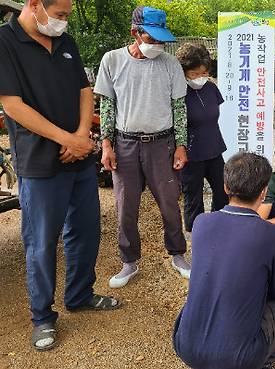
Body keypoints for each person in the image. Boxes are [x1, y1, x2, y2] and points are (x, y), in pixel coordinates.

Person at [0, 0, 120, 351]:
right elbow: (12, 104)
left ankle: (80, 294)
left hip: (79, 158)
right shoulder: (6, 42)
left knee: (85, 231)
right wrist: (66, 139)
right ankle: (42, 317)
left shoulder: (65, 42)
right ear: (35, 4)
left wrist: (82, 136)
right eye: (61, 15)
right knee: (41, 241)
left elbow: (85, 90)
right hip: (40, 163)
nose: (64, 22)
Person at [173, 152, 275, 369]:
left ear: (225, 187)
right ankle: (265, 361)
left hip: (185, 346)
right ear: (264, 192)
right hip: (240, 359)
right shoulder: (273, 235)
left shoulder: (202, 223)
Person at [95, 6, 191, 288]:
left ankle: (178, 254)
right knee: (125, 206)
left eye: (161, 41)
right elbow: (107, 105)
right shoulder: (112, 60)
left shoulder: (170, 64)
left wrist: (181, 145)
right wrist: (106, 145)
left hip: (162, 143)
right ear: (134, 33)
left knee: (170, 203)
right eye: (151, 39)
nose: (157, 46)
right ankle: (129, 261)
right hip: (125, 144)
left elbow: (179, 108)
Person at [175, 43, 228, 234]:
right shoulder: (177, 92)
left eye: (203, 73)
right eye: (194, 74)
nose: (200, 78)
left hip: (214, 148)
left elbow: (211, 115)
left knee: (223, 189)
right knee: (193, 196)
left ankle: (219, 224)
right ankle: (197, 232)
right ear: (184, 71)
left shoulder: (211, 88)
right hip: (190, 153)